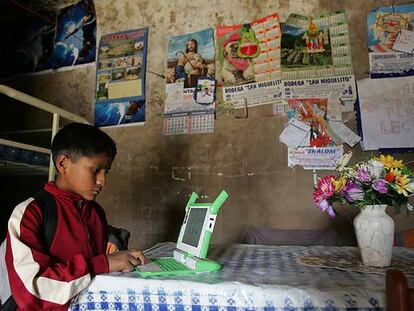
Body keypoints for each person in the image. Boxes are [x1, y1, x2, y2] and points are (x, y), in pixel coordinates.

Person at [4, 123, 146, 310]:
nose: (103, 181)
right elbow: (33, 292)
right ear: (63, 164)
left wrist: (118, 258)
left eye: (106, 172)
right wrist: (102, 263)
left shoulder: (96, 212)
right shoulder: (30, 213)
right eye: (95, 170)